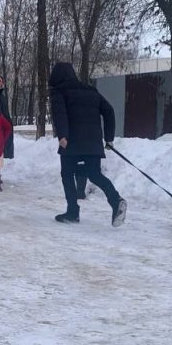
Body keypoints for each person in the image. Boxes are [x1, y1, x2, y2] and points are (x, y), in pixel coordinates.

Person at [48, 61, 127, 226]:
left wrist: (62, 135)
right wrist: (109, 138)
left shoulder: (59, 92)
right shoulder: (91, 90)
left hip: (71, 142)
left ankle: (72, 212)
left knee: (67, 174)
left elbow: (60, 113)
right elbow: (109, 111)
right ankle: (115, 200)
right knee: (94, 174)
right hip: (93, 143)